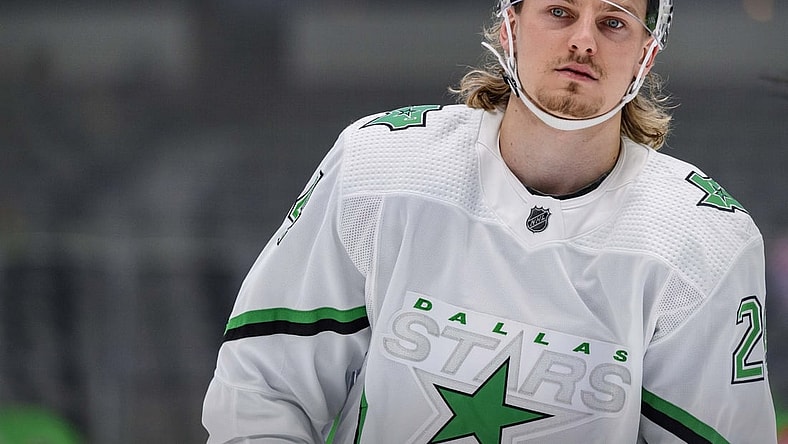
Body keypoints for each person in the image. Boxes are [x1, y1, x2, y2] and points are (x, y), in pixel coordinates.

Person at [203, 0, 779, 442]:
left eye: (614, 23)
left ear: (646, 56)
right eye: (559, 11)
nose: (583, 40)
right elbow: (263, 387)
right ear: (508, 25)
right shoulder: (382, 167)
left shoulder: (703, 240)